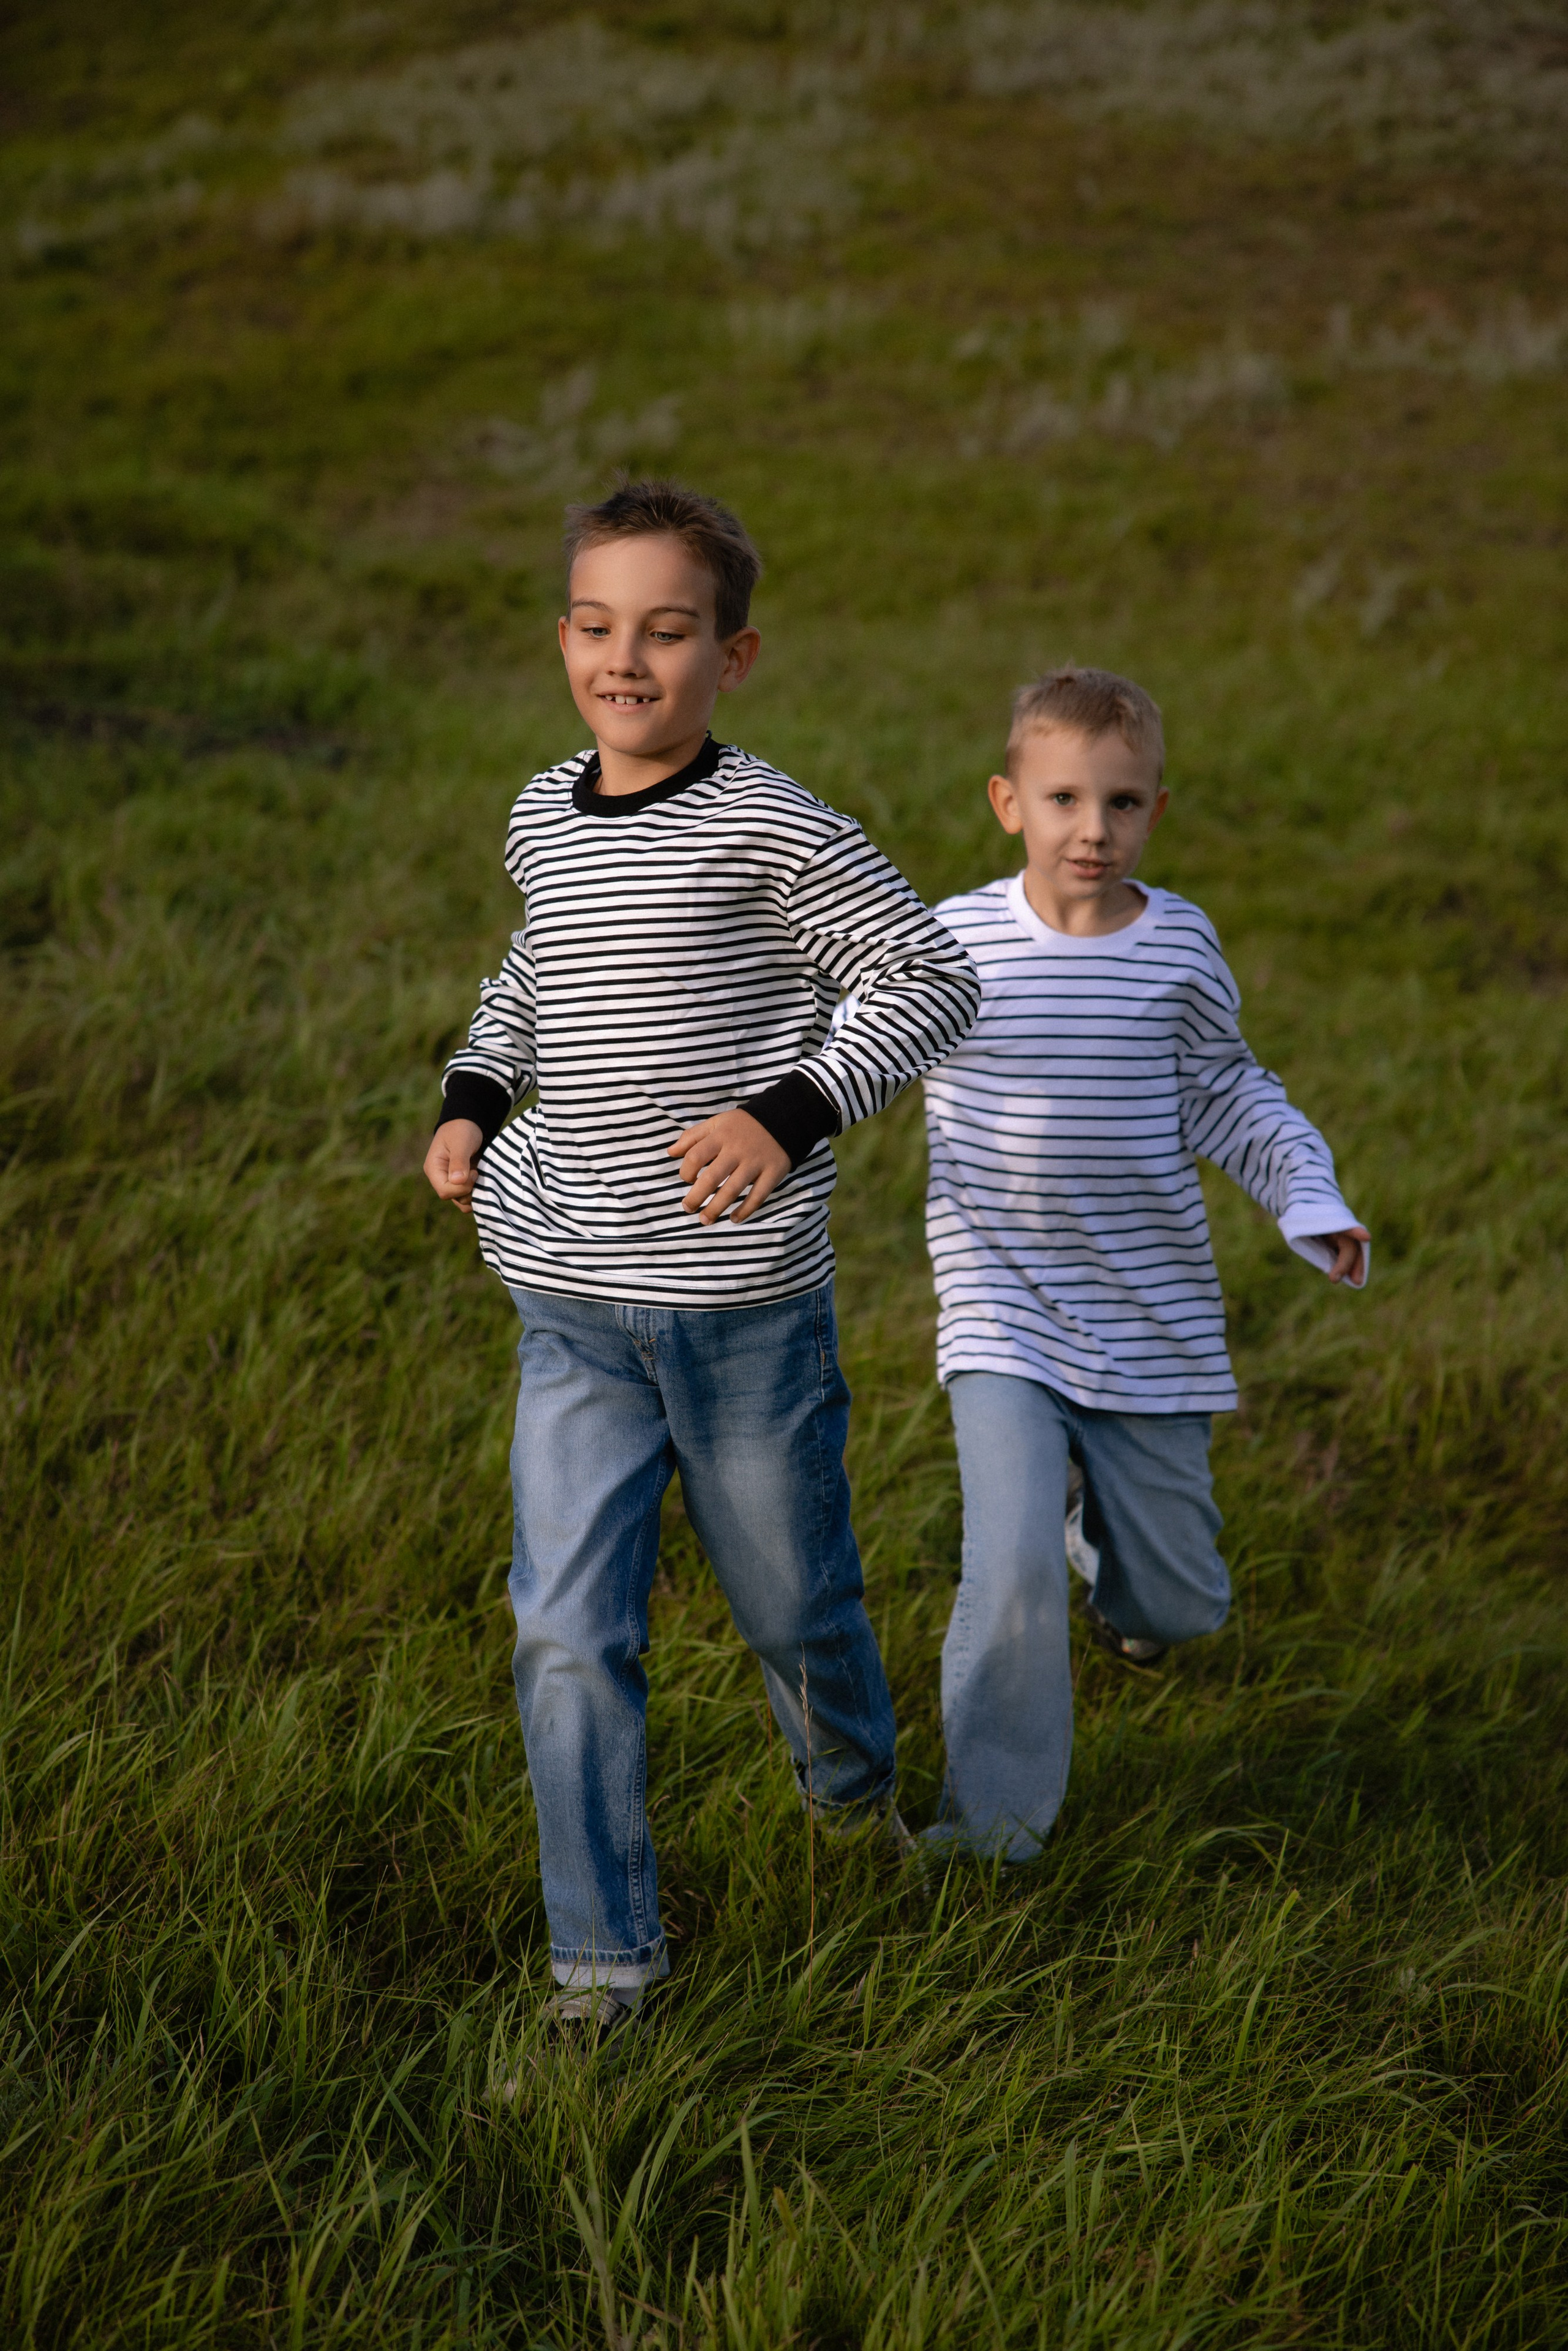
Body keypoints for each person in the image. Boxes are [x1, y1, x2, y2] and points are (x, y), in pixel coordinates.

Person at [424, 479, 980, 2045]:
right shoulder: (543, 806)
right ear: (563, 639)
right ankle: (604, 1968)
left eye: (667, 631)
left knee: (795, 1603)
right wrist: (476, 1092)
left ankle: (852, 1801)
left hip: (738, 1315)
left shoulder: (770, 824)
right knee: (565, 1630)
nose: (627, 658)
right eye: (598, 627)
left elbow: (925, 975)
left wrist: (790, 1111)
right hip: (569, 1300)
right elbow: (535, 968)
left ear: (730, 656)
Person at [919, 665, 1368, 1861]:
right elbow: (854, 1046)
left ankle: (1104, 1553)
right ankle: (989, 1832)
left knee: (1176, 1600)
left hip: (1146, 1317)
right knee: (1001, 1567)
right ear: (1005, 800)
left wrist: (1305, 1194)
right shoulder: (953, 943)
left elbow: (1230, 1092)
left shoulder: (1175, 947)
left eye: (1120, 803)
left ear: (1154, 812)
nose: (1091, 828)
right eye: (1062, 798)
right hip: (999, 1311)